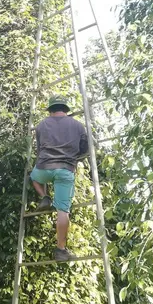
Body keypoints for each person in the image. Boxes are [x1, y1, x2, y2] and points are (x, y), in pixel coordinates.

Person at [30, 95, 88, 261]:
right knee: (63, 210)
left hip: (44, 168)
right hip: (65, 169)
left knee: (33, 177)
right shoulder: (77, 125)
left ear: (50, 110)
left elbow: (40, 149)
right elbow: (84, 148)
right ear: (65, 109)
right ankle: (60, 250)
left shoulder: (41, 125)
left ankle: (44, 196)